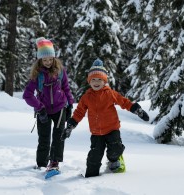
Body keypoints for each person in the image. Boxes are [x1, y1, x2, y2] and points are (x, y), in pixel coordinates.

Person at [61, 58, 149, 178]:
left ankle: (114, 160)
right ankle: (90, 177)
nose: (96, 82)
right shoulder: (86, 97)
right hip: (96, 133)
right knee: (94, 157)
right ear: (89, 81)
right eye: (93, 80)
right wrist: (70, 126)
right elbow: (79, 112)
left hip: (112, 128)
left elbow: (124, 102)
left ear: (104, 81)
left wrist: (137, 110)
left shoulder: (110, 93)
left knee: (115, 149)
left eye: (99, 80)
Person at [23, 37, 74, 172]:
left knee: (59, 137)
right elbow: (27, 95)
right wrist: (40, 107)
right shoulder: (37, 75)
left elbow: (66, 88)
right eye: (44, 60)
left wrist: (70, 105)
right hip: (43, 110)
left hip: (60, 108)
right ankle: (41, 164)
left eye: (50, 59)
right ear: (40, 60)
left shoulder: (60, 71)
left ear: (54, 58)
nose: (48, 62)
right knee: (44, 138)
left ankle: (54, 163)